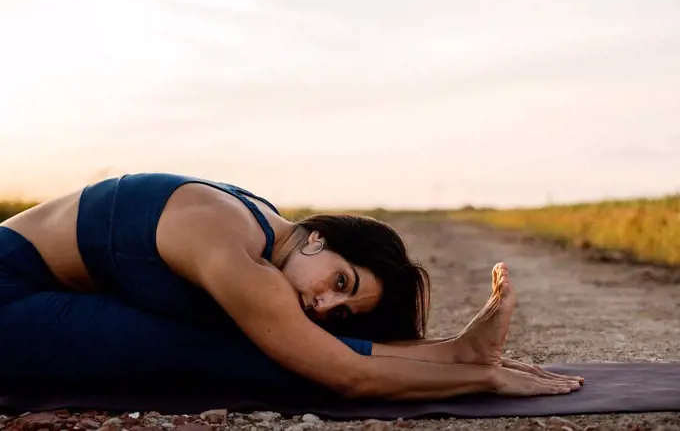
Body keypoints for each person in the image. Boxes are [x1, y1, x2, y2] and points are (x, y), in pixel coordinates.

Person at [0, 172, 583, 400]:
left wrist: (450, 353)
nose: (324, 304)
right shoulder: (233, 247)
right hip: (8, 300)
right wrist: (475, 375)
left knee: (257, 344)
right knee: (234, 355)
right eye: (340, 281)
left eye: (342, 308)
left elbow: (320, 349)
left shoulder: (265, 227)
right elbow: (342, 372)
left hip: (52, 296)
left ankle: (455, 353)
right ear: (318, 238)